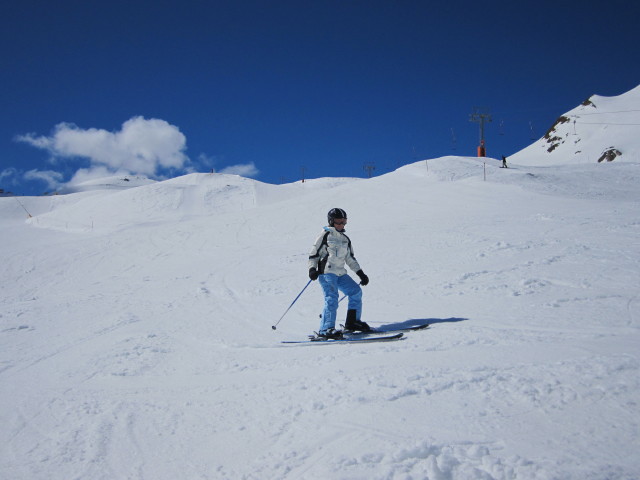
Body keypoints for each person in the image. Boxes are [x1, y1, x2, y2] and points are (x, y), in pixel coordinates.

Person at [308, 208, 371, 339]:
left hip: (340, 273)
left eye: (344, 221)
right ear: (331, 221)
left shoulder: (345, 239)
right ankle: (326, 329)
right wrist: (312, 269)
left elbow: (350, 258)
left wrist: (360, 273)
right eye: (338, 221)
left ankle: (352, 323)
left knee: (355, 292)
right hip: (327, 273)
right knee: (331, 298)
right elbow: (313, 255)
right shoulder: (325, 235)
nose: (341, 224)